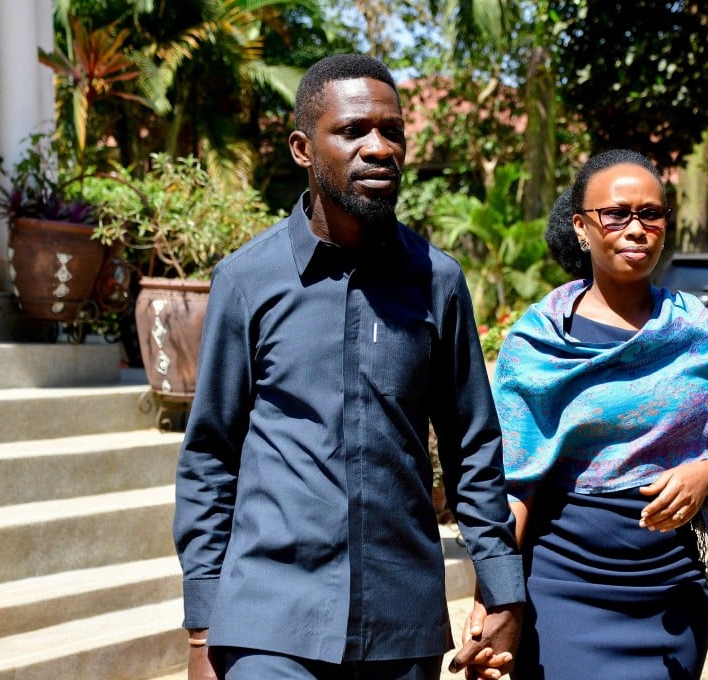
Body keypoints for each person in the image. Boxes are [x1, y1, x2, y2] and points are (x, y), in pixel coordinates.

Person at [173, 53, 523, 680]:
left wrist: (501, 588)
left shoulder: (437, 282)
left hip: (400, 624)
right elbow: (210, 454)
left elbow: (474, 444)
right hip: (268, 621)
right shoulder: (247, 281)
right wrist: (203, 629)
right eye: (354, 131)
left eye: (392, 131)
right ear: (304, 148)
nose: (380, 148)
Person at [465, 149, 708, 679]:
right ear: (581, 226)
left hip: (670, 594)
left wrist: (706, 475)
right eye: (616, 213)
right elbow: (515, 484)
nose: (636, 228)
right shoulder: (540, 342)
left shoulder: (703, 338)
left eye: (651, 213)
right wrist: (497, 600)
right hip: (562, 585)